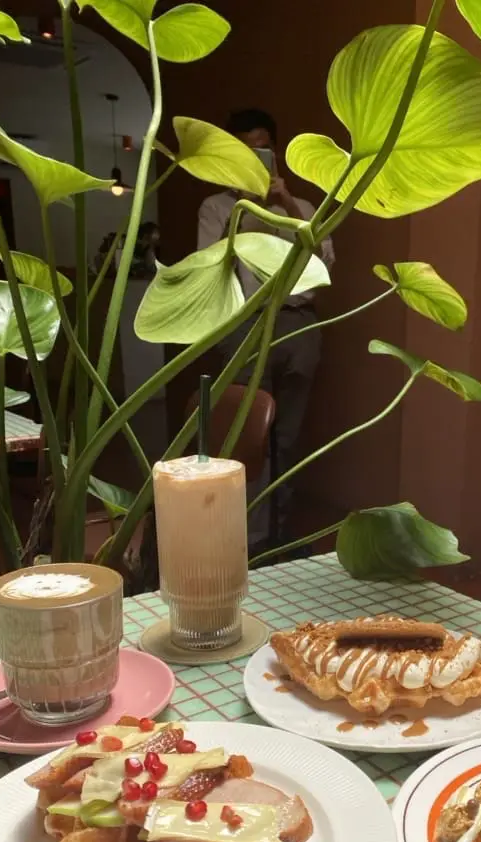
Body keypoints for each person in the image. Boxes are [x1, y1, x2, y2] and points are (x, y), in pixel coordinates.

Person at [197, 108, 335, 548]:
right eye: (244, 149)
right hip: (247, 326)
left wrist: (287, 203)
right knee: (247, 436)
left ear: (274, 151)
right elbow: (208, 266)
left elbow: (325, 261)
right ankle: (249, 538)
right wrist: (244, 209)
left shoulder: (304, 208)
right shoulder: (217, 207)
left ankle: (280, 533)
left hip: (299, 325)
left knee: (288, 436)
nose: (254, 156)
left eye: (261, 148)